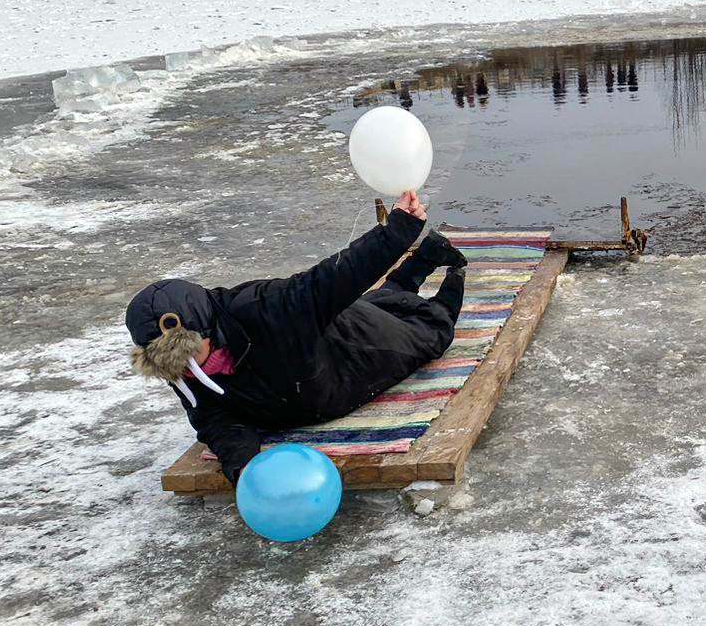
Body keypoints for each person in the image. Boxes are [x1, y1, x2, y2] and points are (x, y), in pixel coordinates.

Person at [125, 190, 468, 487]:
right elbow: (217, 420)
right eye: (173, 365)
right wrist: (244, 468)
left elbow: (335, 277)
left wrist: (399, 230)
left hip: (355, 351)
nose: (184, 370)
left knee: (432, 331)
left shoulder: (267, 308)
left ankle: (455, 272)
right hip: (321, 355)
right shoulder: (184, 369)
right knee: (383, 302)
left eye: (187, 356)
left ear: (207, 331)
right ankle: (425, 259)